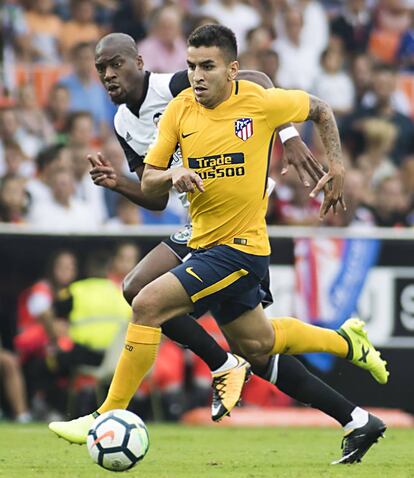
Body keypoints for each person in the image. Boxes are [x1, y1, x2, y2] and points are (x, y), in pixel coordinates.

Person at [49, 30, 388, 464]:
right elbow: (153, 184)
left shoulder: (244, 100)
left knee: (147, 301)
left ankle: (106, 412)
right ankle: (352, 384)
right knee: (259, 346)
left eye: (206, 66)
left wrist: (313, 152)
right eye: (191, 66)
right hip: (200, 234)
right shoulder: (176, 110)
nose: (195, 75)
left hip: (239, 245)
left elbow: (315, 107)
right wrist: (143, 181)